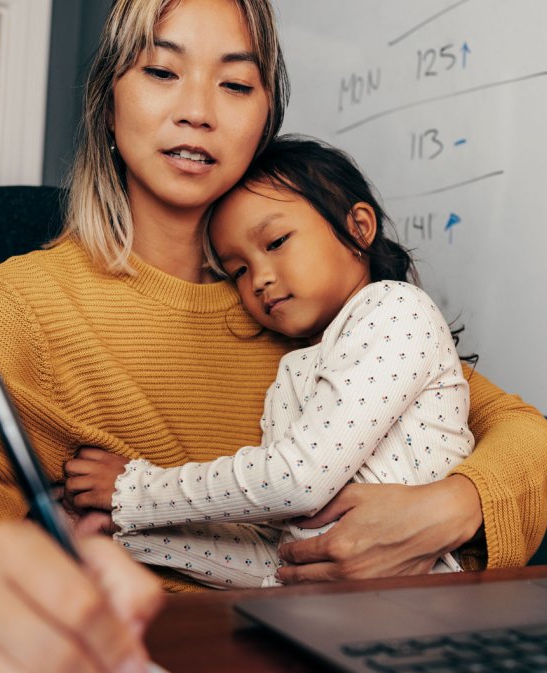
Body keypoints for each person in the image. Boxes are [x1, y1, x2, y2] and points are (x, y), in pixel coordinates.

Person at [0, 0, 547, 671]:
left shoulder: (311, 307)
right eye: (162, 72)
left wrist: (448, 508)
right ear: (109, 100)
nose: (198, 108)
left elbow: (520, 430)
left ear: (265, 119)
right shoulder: (23, 300)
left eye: (235, 82)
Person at [64, 136, 476, 589]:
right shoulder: (293, 370)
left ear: (358, 227)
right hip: (323, 618)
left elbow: (298, 480)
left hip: (416, 608)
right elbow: (285, 560)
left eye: (276, 241)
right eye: (237, 269)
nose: (258, 278)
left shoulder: (396, 309)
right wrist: (123, 536)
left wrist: (132, 492)